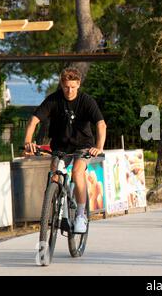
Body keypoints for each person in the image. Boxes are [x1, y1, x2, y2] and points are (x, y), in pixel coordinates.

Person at [23, 68, 107, 233]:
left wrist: (99, 147)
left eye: (73, 87)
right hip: (61, 146)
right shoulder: (53, 100)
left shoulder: (87, 101)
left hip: (83, 146)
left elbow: (101, 125)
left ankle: (81, 215)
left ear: (78, 84)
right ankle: (56, 210)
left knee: (77, 172)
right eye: (67, 87)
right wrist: (27, 142)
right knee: (55, 173)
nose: (69, 91)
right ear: (62, 84)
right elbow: (34, 120)